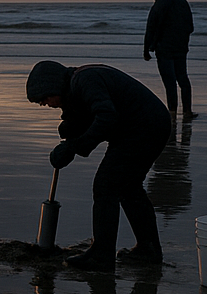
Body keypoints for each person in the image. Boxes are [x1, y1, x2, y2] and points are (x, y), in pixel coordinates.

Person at [26, 61, 171, 271]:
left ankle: (102, 255)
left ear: (53, 85)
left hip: (143, 126)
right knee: (129, 187)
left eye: (44, 99)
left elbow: (106, 117)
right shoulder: (77, 83)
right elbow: (91, 114)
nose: (45, 104)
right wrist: (70, 136)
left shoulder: (85, 80)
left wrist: (75, 146)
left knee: (106, 185)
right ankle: (148, 250)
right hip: (150, 123)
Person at [143, 0, 195, 118]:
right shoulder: (182, 2)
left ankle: (172, 112)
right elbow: (191, 27)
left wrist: (146, 49)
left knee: (169, 81)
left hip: (164, 48)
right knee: (183, 78)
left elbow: (151, 28)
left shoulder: (159, 5)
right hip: (181, 47)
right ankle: (187, 111)